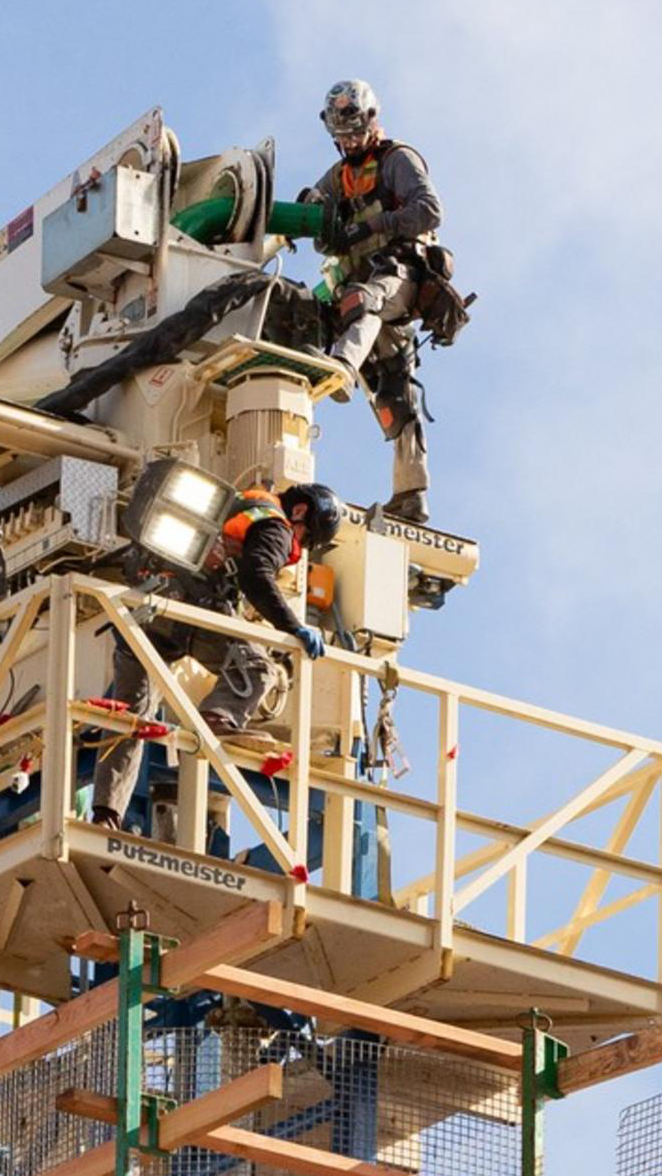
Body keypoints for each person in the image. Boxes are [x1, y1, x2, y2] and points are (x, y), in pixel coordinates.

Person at [87, 482, 341, 828]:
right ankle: (217, 719)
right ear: (300, 512)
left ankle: (105, 813)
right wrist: (294, 626)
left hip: (144, 609)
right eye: (306, 537)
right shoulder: (275, 524)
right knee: (259, 668)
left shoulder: (239, 504)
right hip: (191, 607)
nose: (300, 544)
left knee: (131, 718)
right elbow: (256, 576)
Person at [299, 80, 460, 525]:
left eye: (353, 133)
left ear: (370, 121)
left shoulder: (396, 161)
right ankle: (411, 495)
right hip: (366, 286)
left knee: (359, 301)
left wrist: (372, 228)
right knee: (393, 394)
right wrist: (309, 214)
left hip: (401, 276)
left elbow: (430, 209)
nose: (348, 143)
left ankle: (341, 369)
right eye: (341, 138)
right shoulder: (340, 177)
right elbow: (316, 207)